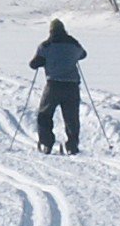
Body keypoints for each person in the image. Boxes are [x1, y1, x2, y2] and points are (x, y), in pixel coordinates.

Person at [29, 18, 87, 154]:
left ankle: (47, 143)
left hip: (53, 85)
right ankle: (72, 146)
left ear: (51, 31)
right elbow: (83, 55)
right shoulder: (73, 43)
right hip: (72, 86)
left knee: (44, 114)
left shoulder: (46, 45)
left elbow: (34, 64)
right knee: (72, 118)